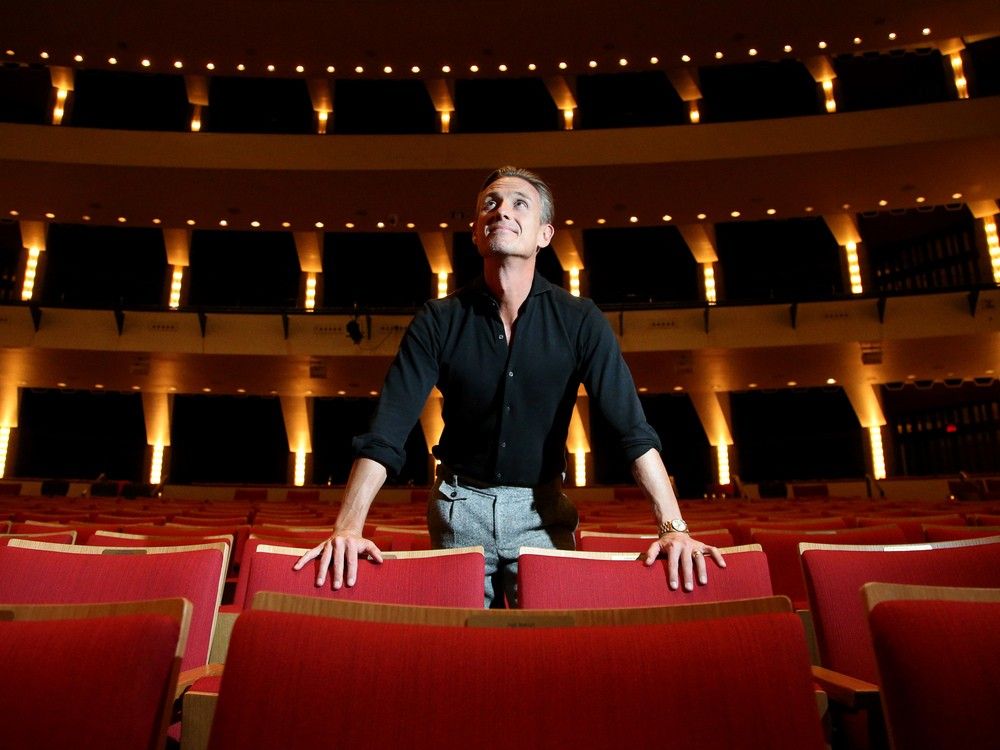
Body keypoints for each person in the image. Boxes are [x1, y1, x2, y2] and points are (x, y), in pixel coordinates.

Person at [295, 166, 726, 606]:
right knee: (463, 641)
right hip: (458, 506)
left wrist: (673, 528)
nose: (501, 211)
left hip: (543, 509)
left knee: (549, 641)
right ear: (476, 232)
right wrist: (348, 528)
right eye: (491, 203)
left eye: (520, 204)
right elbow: (386, 431)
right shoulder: (437, 320)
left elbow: (632, 432)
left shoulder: (581, 320)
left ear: (544, 234)